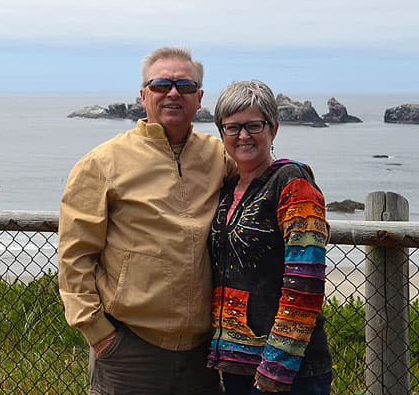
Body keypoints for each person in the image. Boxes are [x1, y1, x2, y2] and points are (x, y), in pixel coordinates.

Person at [58, 47, 235, 394]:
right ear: (143, 95)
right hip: (129, 346)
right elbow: (74, 257)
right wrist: (99, 334)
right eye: (161, 85)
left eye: (184, 85)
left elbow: (259, 177)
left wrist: (294, 178)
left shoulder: (218, 156)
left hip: (203, 349)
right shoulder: (102, 163)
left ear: (199, 98)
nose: (173, 93)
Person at [207, 80, 332, 394]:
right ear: (221, 133)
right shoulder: (228, 189)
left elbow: (305, 283)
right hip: (235, 364)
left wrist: (275, 369)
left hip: (288, 374)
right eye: (232, 127)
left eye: (254, 125)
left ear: (274, 129)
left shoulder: (293, 184)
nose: (244, 136)